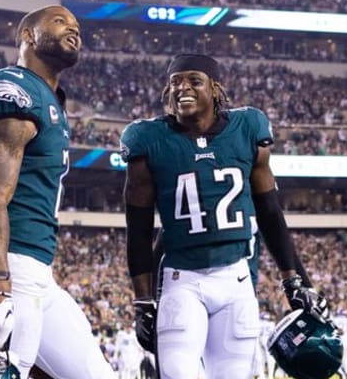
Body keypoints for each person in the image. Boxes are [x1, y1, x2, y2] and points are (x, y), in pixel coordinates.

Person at [121, 53, 330, 379]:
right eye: (175, 82)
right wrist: (143, 300)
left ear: (215, 89)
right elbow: (138, 228)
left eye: (194, 81)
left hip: (236, 280)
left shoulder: (247, 128)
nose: (182, 88)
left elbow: (270, 212)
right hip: (181, 280)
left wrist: (295, 280)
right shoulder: (148, 139)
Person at [0, 4, 113, 378]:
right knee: (8, 370)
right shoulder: (16, 88)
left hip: (36, 271)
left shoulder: (49, 100)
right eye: (59, 22)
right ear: (28, 35)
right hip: (7, 264)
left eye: (76, 25)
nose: (73, 29)